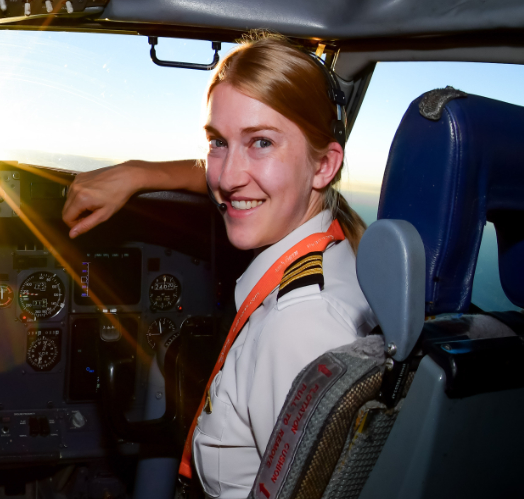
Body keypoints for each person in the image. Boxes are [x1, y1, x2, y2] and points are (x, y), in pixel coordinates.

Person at [61, 32, 376, 497]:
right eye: (218, 142)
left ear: (324, 166)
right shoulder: (336, 241)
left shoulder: (298, 326)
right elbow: (237, 174)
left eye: (262, 142)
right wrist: (138, 172)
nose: (227, 178)